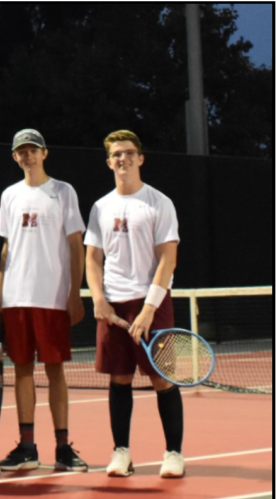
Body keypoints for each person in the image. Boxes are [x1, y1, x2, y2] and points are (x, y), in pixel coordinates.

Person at [85, 130, 184, 479]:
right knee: (119, 379)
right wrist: (98, 298)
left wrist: (148, 309)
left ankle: (174, 454)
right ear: (108, 161)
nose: (122, 159)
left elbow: (167, 260)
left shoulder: (160, 203)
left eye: (129, 153)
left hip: (152, 303)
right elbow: (93, 258)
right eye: (116, 154)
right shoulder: (100, 206)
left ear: (140, 158)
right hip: (113, 304)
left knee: (162, 381)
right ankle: (121, 453)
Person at [0, 129, 89, 472]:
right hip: (16, 297)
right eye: (22, 151)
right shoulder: (9, 196)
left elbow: (76, 245)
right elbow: (6, 248)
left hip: (52, 298)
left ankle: (63, 448)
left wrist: (75, 293)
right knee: (21, 370)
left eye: (33, 150)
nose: (27, 156)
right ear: (15, 157)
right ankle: (28, 447)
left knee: (55, 371)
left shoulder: (63, 192)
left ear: (44, 153)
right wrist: (0, 294)